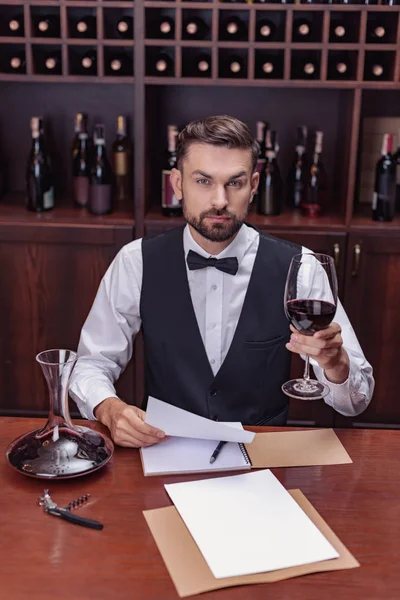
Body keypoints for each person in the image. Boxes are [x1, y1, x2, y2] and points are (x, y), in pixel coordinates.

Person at [69, 115, 374, 448]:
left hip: (262, 456)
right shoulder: (135, 262)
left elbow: (354, 402)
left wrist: (335, 363)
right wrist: (109, 409)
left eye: (235, 183)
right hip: (163, 448)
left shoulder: (302, 268)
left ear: (254, 186)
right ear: (177, 184)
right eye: (203, 181)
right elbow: (92, 363)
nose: (219, 201)